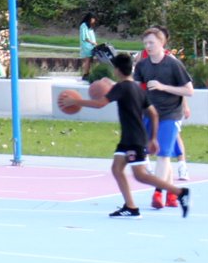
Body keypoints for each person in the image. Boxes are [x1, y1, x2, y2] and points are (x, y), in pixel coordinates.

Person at [73, 52, 189, 218]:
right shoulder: (137, 88)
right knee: (117, 168)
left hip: (134, 140)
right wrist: (153, 138)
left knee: (140, 175)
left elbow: (100, 104)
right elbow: (154, 114)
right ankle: (131, 207)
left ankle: (179, 192)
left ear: (118, 70)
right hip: (130, 138)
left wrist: (76, 102)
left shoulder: (122, 87)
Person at [134, 26, 195, 209]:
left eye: (151, 42)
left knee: (162, 154)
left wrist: (163, 87)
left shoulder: (173, 64)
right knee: (161, 156)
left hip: (171, 114)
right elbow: (136, 90)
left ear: (162, 43)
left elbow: (189, 90)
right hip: (151, 114)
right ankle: (172, 193)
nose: (148, 46)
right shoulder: (142, 65)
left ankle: (158, 192)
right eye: (145, 43)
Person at [78, 13, 98, 78]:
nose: (93, 20)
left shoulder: (89, 26)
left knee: (90, 60)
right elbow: (85, 37)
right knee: (88, 60)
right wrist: (92, 42)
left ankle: (88, 72)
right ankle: (85, 74)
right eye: (92, 19)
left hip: (91, 45)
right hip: (87, 45)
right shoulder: (84, 25)